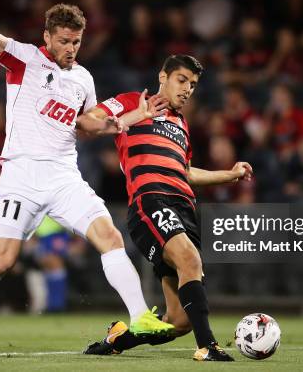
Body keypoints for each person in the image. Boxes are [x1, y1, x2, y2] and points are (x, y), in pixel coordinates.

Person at [0, 0, 173, 355]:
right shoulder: (24, 59)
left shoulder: (83, 78)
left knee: (110, 237)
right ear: (47, 37)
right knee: (1, 263)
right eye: (64, 41)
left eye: (77, 41)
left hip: (64, 175)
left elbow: (86, 126)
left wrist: (130, 117)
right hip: (20, 174)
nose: (71, 48)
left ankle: (139, 317)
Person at [82, 55, 253, 361]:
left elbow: (186, 172)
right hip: (150, 200)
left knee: (179, 322)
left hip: (184, 207)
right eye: (182, 80)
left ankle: (118, 339)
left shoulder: (182, 125)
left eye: (194, 84)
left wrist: (231, 174)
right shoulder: (132, 101)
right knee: (190, 258)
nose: (188, 89)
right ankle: (208, 347)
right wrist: (131, 116)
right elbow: (91, 119)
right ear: (163, 77)